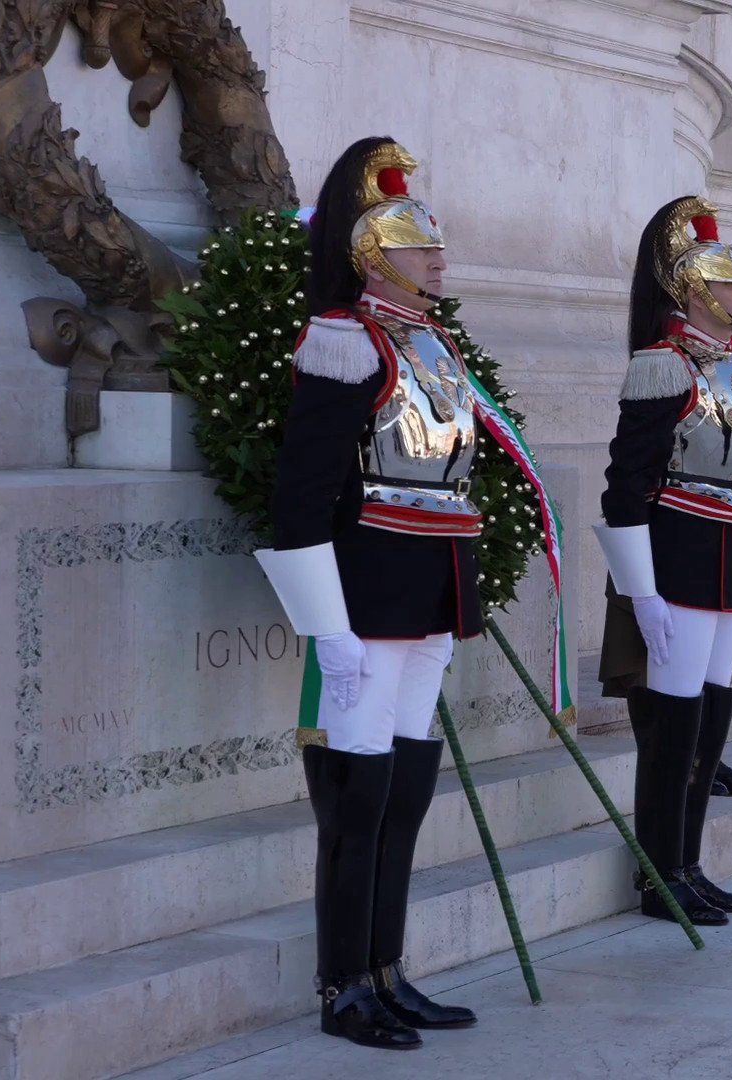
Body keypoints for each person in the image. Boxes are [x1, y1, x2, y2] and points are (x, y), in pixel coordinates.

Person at [252, 138, 486, 1049]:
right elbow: (302, 497)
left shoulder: (434, 345)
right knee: (357, 794)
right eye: (418, 244)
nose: (439, 257)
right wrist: (328, 630)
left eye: (435, 244)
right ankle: (342, 984)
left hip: (431, 589)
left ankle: (388, 969)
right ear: (372, 256)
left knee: (405, 789)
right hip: (366, 592)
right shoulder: (346, 343)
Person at [594, 196, 732, 926]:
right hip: (679, 557)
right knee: (673, 721)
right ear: (699, 292)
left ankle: (688, 862)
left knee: (709, 717)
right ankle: (659, 874)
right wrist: (639, 591)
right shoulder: (662, 365)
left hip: (730, 553)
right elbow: (625, 487)